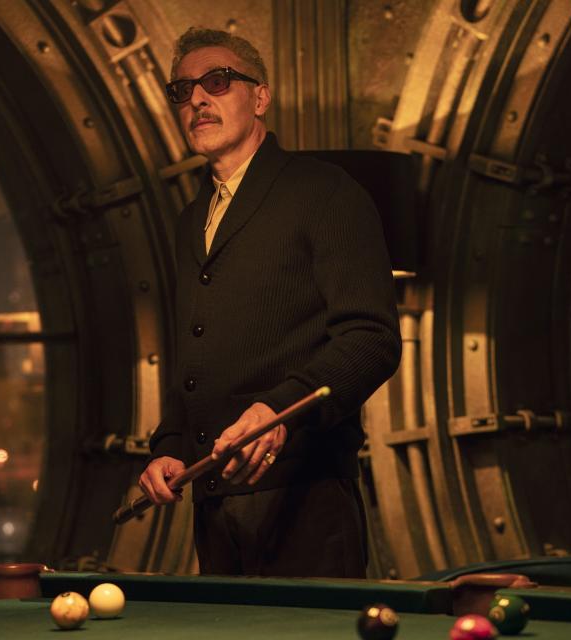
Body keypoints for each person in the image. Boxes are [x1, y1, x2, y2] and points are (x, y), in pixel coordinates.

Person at [139, 27, 401, 578]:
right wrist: (170, 445)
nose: (197, 100)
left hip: (307, 499)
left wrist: (281, 409)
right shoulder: (192, 219)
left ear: (260, 97)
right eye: (183, 90)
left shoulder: (326, 191)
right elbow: (196, 355)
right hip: (213, 506)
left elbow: (372, 338)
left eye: (217, 81)